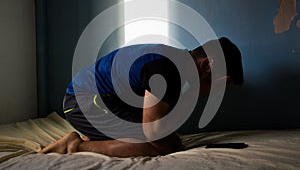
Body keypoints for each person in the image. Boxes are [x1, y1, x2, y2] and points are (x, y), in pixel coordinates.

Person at [41, 37, 244, 157]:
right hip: (81, 101)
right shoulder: (168, 70)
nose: (221, 93)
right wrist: (195, 94)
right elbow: (154, 132)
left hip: (106, 99)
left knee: (170, 141)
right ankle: (75, 146)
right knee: (162, 145)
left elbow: (163, 123)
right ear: (206, 66)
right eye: (223, 84)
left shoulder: (177, 66)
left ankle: (93, 138)